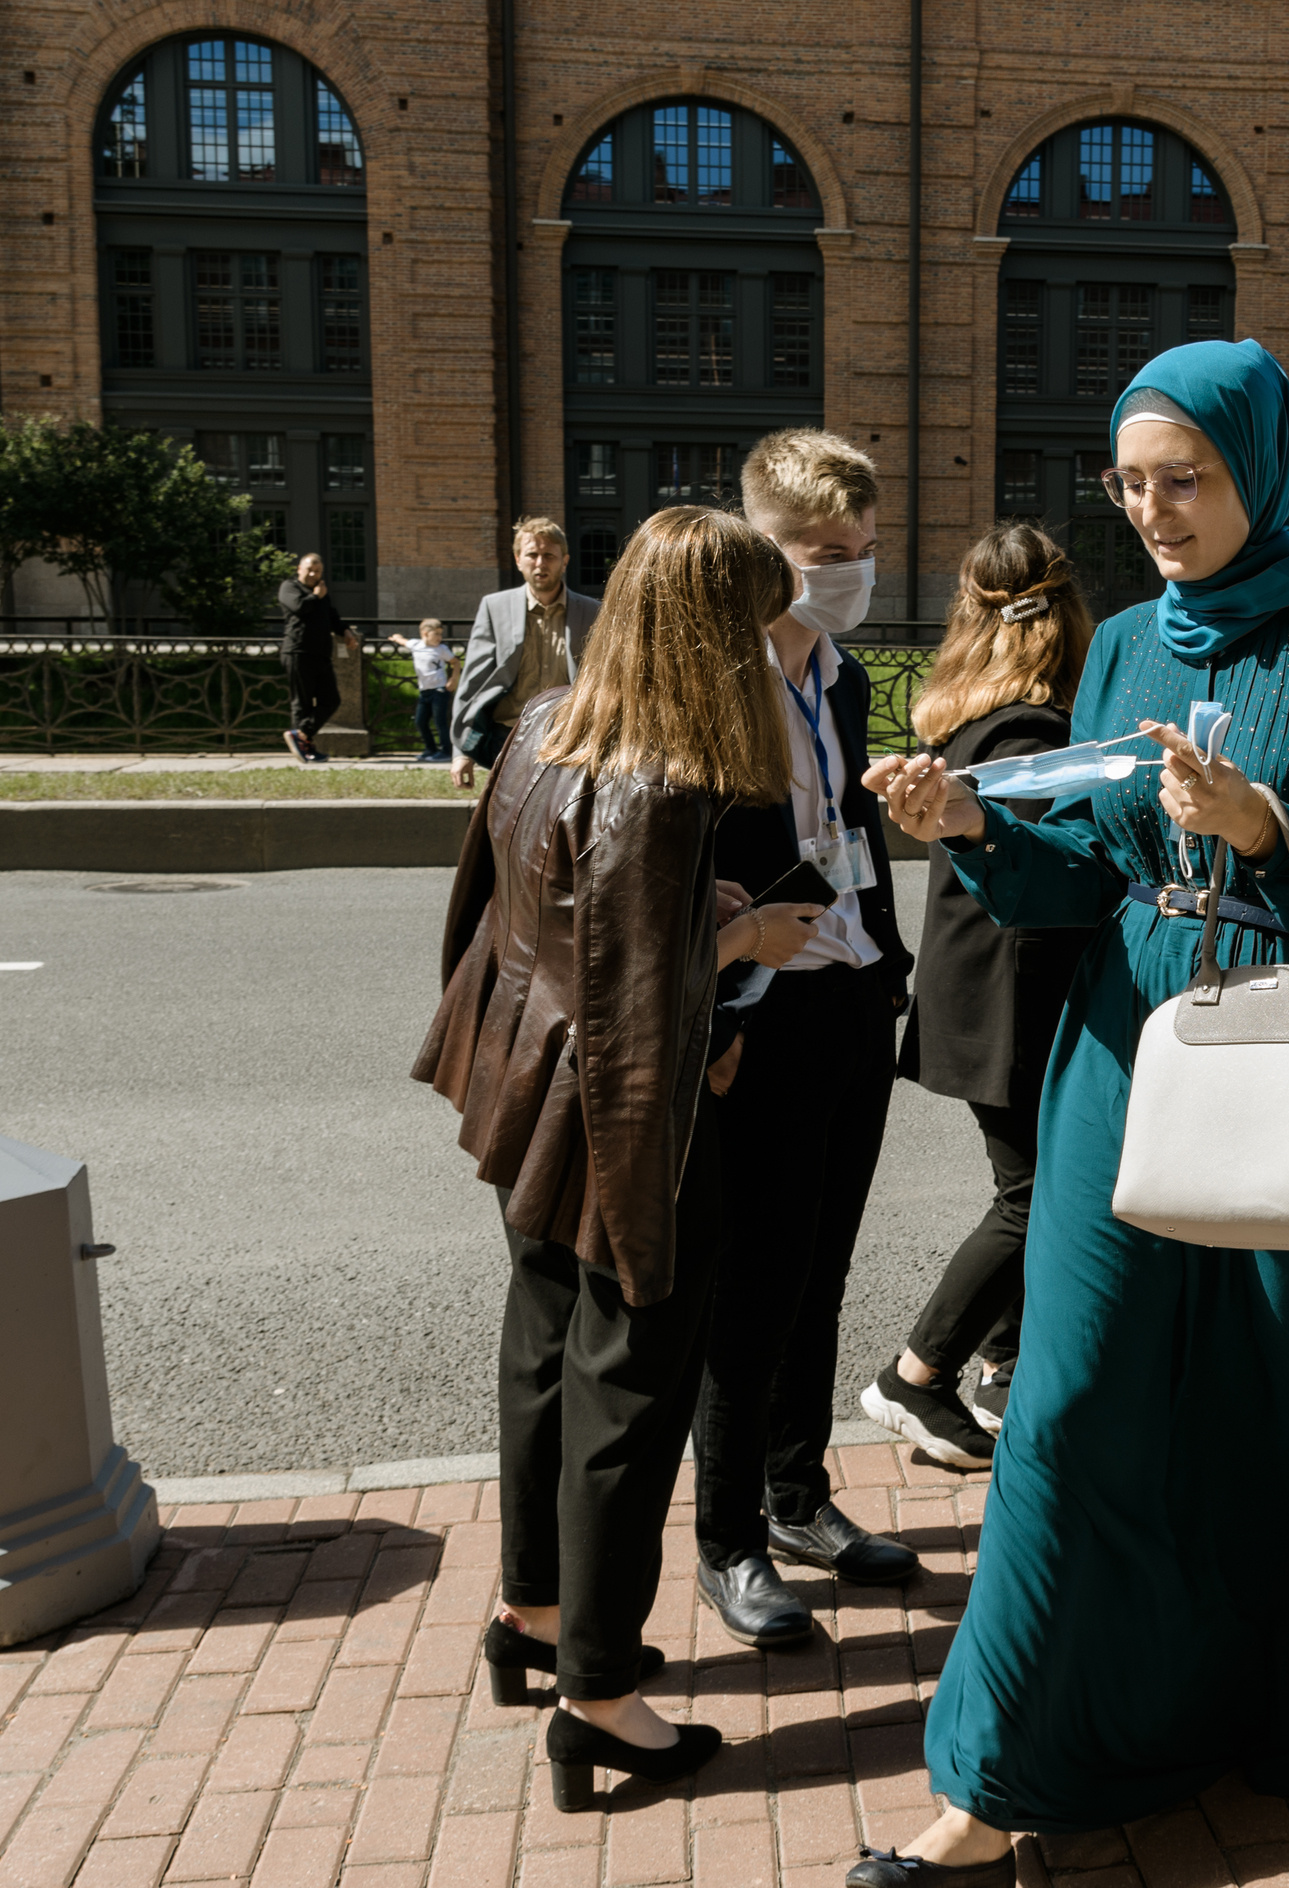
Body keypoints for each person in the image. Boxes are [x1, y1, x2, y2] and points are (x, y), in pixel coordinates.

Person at [860, 338, 1289, 1885]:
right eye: (1130, 482)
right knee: (1063, 1403)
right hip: (1128, 1050)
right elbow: (1091, 870)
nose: (1154, 509)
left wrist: (1267, 827)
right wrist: (977, 823)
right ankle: (995, 1779)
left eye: (1183, 477)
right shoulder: (1120, 644)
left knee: (1287, 1408)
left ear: (1258, 463)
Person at [410, 506, 797, 1808]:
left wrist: (703, 926)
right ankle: (601, 1698)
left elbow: (493, 915)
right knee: (630, 1394)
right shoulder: (665, 782)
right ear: (712, 634)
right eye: (752, 626)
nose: (767, 651)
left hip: (518, 1086)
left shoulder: (542, 725)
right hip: (620, 1119)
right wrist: (733, 962)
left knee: (540, 1357)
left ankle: (529, 1613)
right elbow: (636, 1018)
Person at [690, 430, 918, 1653]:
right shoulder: (711, 677)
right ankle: (726, 1536)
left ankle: (795, 1496)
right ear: (758, 547)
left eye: (864, 553)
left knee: (822, 1265)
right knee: (753, 1279)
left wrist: (882, 955)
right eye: (826, 554)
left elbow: (850, 833)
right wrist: (723, 989)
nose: (849, 575)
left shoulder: (840, 676)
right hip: (757, 1011)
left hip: (848, 994)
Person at [858, 524, 1098, 1469]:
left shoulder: (972, 710)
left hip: (978, 987)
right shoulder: (1036, 723)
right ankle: (916, 1376)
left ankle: (1003, 1365)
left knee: (1028, 1185)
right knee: (1036, 1196)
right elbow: (1052, 874)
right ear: (1067, 610)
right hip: (1015, 993)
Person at [449, 517, 600, 790]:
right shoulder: (494, 608)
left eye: (549, 556)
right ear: (518, 560)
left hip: (567, 741)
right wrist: (462, 751)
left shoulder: (591, 612)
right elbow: (473, 683)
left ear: (564, 560)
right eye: (532, 554)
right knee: (507, 828)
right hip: (507, 740)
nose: (540, 563)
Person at [278, 553, 357, 763]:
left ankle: (300, 734)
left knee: (331, 700)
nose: (313, 574)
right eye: (310, 570)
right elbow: (299, 608)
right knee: (301, 703)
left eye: (318, 571)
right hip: (297, 652)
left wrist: (345, 631)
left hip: (321, 654)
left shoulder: (321, 591)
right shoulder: (289, 587)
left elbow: (331, 616)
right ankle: (305, 747)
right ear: (299, 569)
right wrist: (316, 595)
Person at [387, 618, 455, 761]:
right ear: (425, 633)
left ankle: (446, 752)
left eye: (440, 634)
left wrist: (453, 679)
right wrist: (397, 637)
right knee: (420, 721)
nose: (439, 638)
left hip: (439, 690)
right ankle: (430, 749)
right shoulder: (416, 645)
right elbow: (404, 642)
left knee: (440, 722)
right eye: (436, 634)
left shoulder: (441, 649)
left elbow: (455, 662)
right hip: (425, 691)